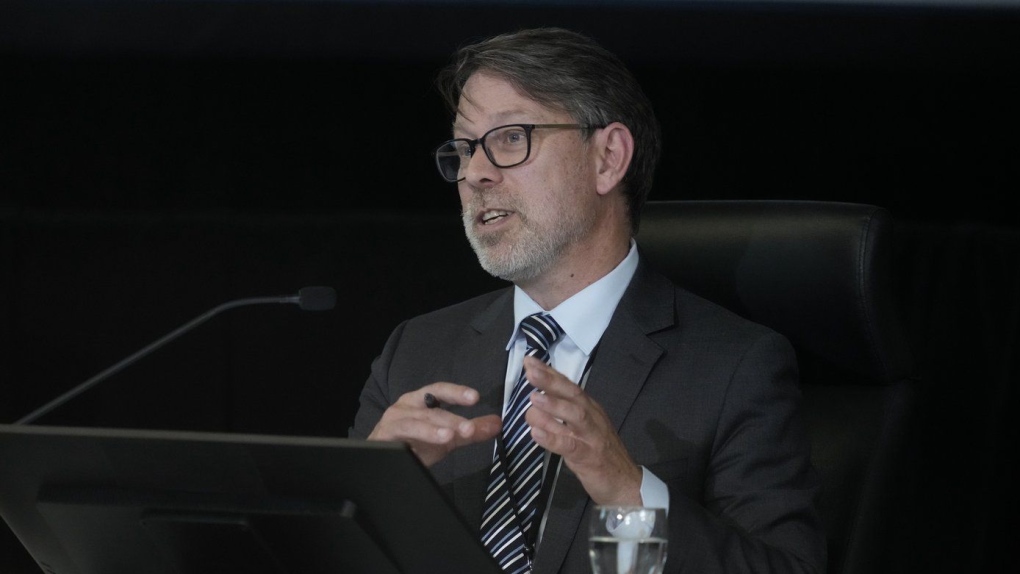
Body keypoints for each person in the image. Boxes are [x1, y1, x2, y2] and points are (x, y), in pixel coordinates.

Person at [349, 27, 825, 574]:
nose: (475, 173)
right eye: (465, 148)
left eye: (512, 137)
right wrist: (368, 493)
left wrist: (626, 493)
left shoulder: (733, 369)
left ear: (607, 158)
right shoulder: (415, 352)